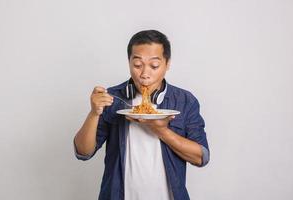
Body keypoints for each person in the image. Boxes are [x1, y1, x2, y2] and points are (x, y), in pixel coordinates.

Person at [74, 30, 210, 200]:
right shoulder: (112, 98)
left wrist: (161, 130)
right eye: (137, 65)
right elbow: (83, 152)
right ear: (129, 62)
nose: (145, 74)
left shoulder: (185, 101)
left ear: (167, 64)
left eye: (154, 66)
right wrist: (94, 113)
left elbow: (201, 157)